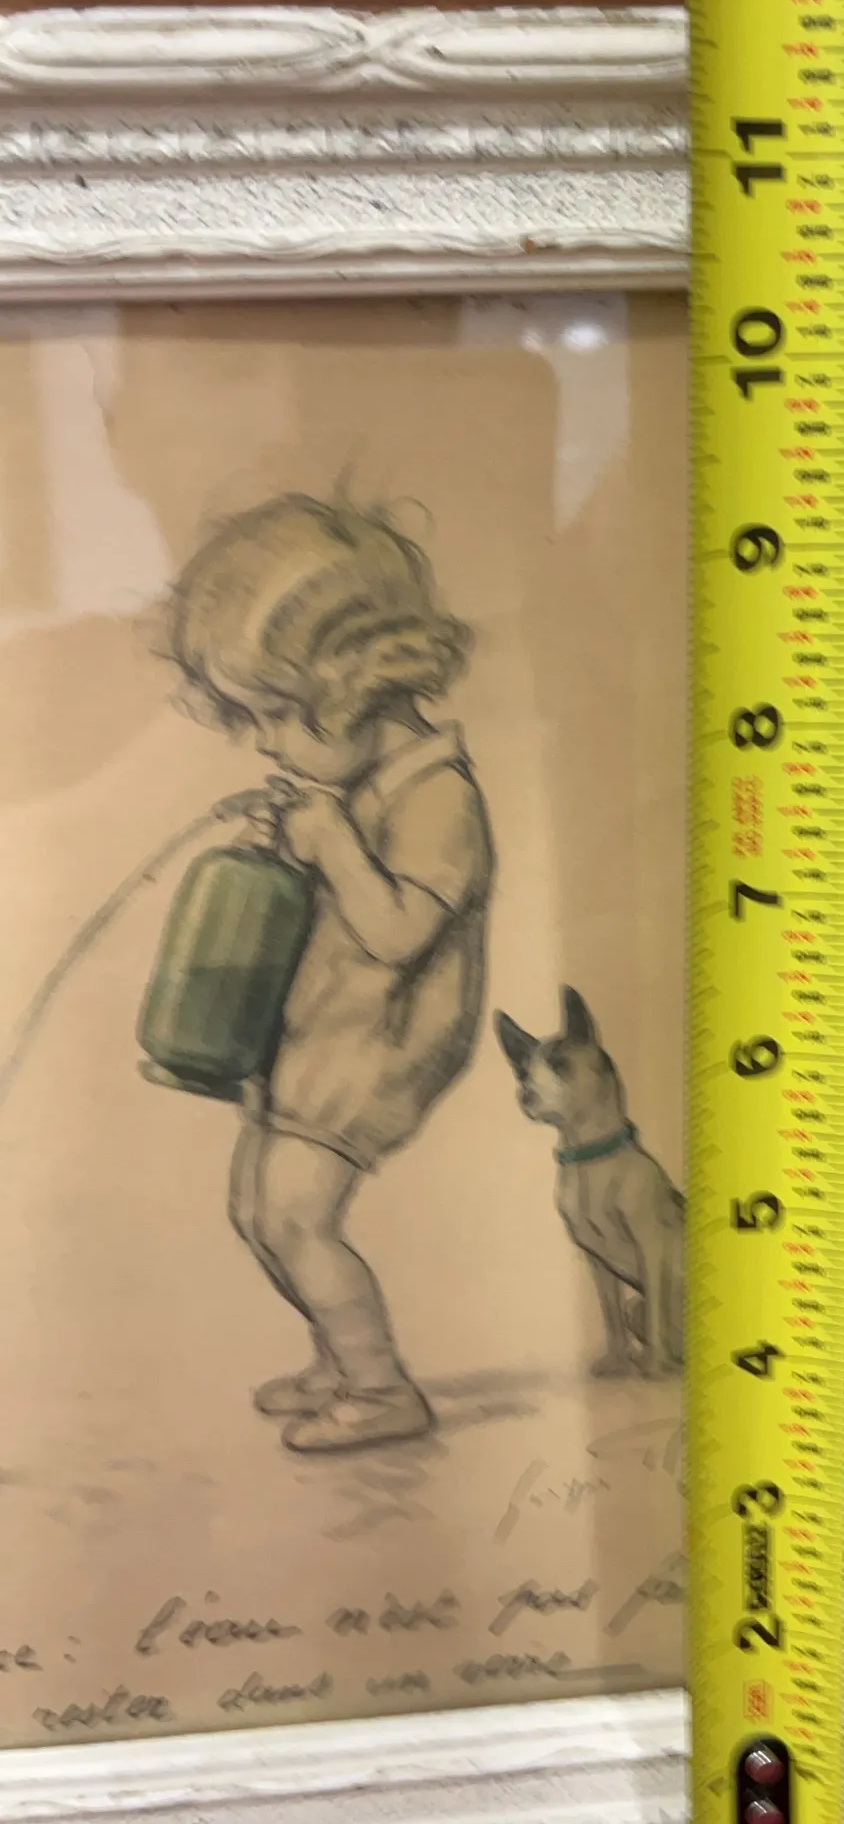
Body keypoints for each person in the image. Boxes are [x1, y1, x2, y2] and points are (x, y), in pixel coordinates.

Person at [166, 492, 493, 1453]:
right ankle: (338, 1360)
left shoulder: (440, 796)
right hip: (319, 1028)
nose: (265, 741)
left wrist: (333, 845)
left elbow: (399, 933)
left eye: (273, 715)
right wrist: (296, 845)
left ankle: (383, 1389)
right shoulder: (358, 782)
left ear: (353, 689)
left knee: (295, 1216)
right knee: (255, 1209)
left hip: (380, 1041)